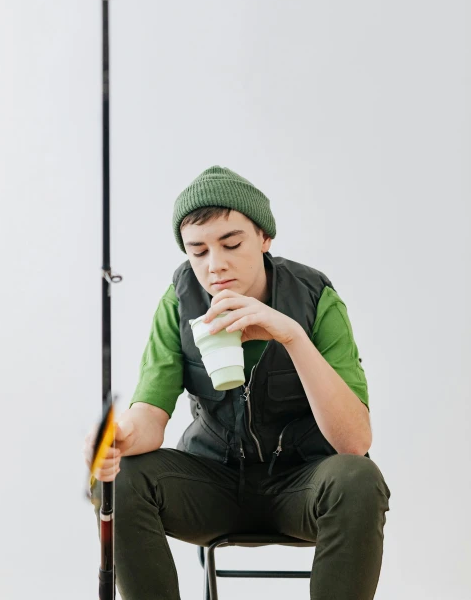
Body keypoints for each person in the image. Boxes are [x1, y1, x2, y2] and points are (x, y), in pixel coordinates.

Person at [85, 165, 391, 600]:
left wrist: (291, 335)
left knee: (358, 477)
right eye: (198, 251)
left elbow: (354, 442)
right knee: (121, 478)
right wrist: (117, 439)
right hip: (212, 484)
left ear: (265, 238)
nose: (215, 265)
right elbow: (149, 416)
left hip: (301, 486)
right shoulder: (179, 302)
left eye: (231, 244)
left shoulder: (314, 297)